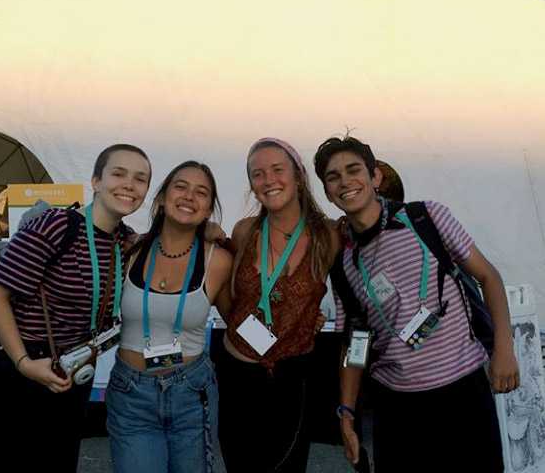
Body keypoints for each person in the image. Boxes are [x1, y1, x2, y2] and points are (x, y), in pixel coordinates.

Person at [313, 134, 519, 473]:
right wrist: (347, 413)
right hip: (397, 408)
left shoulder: (426, 218)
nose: (345, 182)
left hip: (463, 393)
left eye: (353, 170)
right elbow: (357, 341)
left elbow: (489, 277)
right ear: (327, 192)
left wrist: (504, 349)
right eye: (333, 177)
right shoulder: (344, 260)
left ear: (375, 176)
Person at [0, 143, 151, 473]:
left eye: (140, 179)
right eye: (118, 173)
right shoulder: (56, 225)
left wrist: (207, 231)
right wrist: (23, 362)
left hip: (70, 372)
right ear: (95, 181)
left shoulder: (125, 241)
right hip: (19, 367)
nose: (129, 184)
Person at [218, 138, 341, 472]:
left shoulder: (328, 236)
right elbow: (226, 297)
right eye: (257, 174)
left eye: (277, 169)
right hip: (237, 376)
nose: (268, 180)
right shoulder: (244, 232)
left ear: (298, 176)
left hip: (292, 379)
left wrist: (308, 320)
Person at [107, 160, 233, 473]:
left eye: (201, 192)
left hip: (192, 393)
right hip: (131, 394)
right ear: (162, 197)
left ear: (208, 210)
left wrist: (288, 330)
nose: (190, 196)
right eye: (181, 186)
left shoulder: (218, 261)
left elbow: (240, 323)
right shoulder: (128, 250)